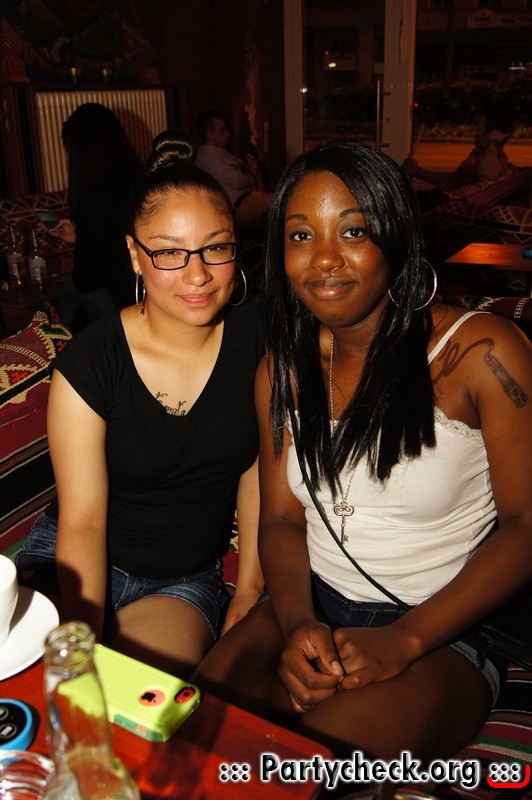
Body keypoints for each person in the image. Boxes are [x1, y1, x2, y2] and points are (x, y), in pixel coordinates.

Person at [193, 140, 532, 770]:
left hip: (442, 631)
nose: (324, 259)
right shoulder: (281, 372)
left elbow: (524, 527)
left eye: (353, 230)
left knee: (312, 775)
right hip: (312, 602)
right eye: (300, 236)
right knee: (190, 744)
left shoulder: (481, 355)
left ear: (396, 236)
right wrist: (296, 621)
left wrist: (405, 639)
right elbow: (281, 519)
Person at [20, 133, 265, 676]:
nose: (197, 274)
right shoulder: (91, 363)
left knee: (137, 699)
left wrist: (248, 587)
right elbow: (83, 522)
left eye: (215, 247)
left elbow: (255, 471)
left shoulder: (259, 339)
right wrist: (82, 645)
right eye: (169, 252)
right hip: (74, 565)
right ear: (135, 254)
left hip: (179, 581)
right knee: (60, 691)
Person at [48, 103, 143, 332]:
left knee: (68, 290)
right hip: (152, 287)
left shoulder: (97, 196)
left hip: (128, 299)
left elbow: (85, 280)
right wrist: (80, 236)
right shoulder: (142, 176)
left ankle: (66, 349)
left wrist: (85, 239)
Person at [402, 106, 517, 191]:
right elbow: (453, 180)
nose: (475, 133)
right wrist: (418, 172)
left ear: (492, 134)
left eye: (478, 129)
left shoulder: (492, 162)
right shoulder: (482, 155)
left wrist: (494, 142)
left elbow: (487, 176)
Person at [195, 109, 273, 229]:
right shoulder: (207, 157)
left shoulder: (219, 152)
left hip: (247, 198)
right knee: (284, 201)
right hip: (238, 206)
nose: (228, 134)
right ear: (210, 134)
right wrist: (250, 178)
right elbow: (237, 181)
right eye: (222, 130)